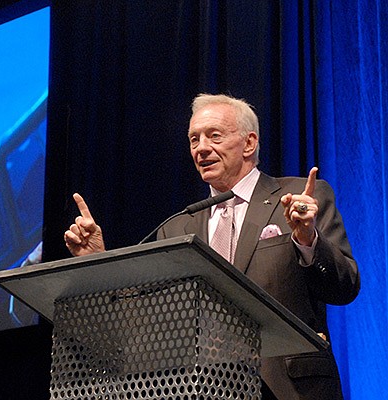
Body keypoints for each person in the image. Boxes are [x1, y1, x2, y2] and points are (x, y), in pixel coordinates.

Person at [64, 94, 360, 400]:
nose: (201, 148)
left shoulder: (300, 198)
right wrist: (97, 261)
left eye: (214, 136)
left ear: (249, 143)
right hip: (205, 389)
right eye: (194, 139)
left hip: (291, 388)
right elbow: (142, 322)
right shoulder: (178, 227)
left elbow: (344, 286)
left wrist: (307, 239)